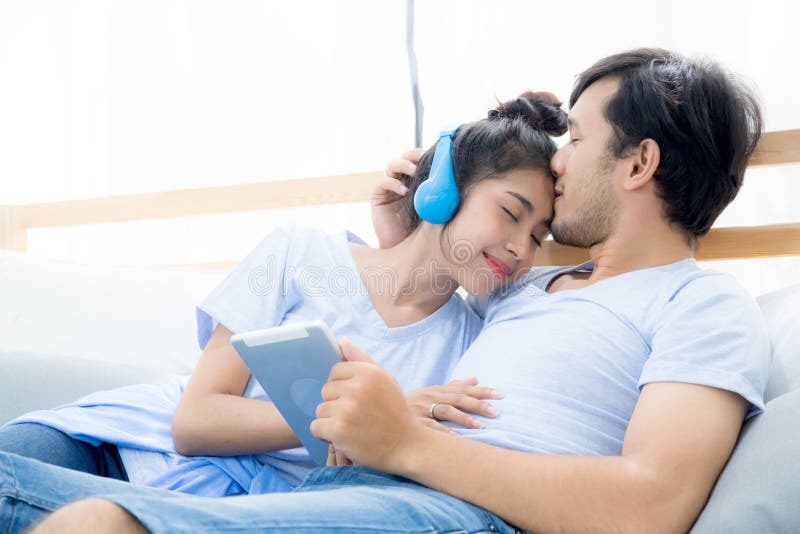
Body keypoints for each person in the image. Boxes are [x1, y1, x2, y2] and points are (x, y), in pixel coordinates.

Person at [1, 48, 769, 534]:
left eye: (578, 140)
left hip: (453, 509)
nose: (559, 162)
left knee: (102, 523)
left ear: (638, 165)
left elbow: (650, 507)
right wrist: (411, 228)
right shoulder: (525, 290)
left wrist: (406, 440)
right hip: (360, 481)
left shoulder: (702, 303)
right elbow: (426, 286)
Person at [0, 92, 564, 496]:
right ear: (444, 188)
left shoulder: (473, 347)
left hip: (210, 510)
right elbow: (194, 423)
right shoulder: (299, 253)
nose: (521, 247)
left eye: (539, 236)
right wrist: (344, 414)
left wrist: (380, 427)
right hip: (119, 452)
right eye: (511, 213)